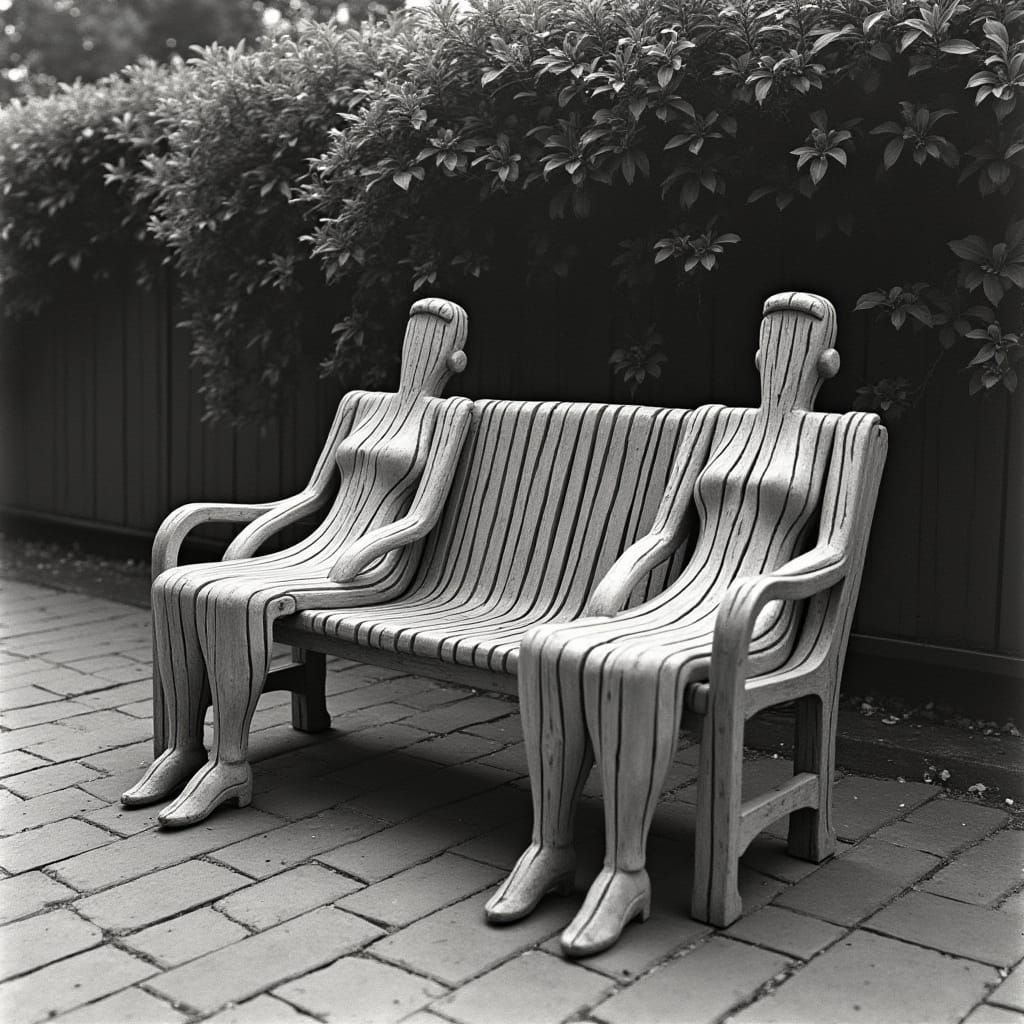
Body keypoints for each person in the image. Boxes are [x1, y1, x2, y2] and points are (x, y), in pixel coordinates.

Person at [486, 293, 847, 956]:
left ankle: (626, 873)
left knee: (641, 667)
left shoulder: (845, 437)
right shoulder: (716, 425)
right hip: (681, 598)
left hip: (756, 619)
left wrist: (758, 592)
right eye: (775, 339)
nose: (784, 355)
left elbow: (833, 553)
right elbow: (664, 532)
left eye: (801, 339)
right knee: (546, 644)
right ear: (760, 353)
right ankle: (551, 847)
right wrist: (616, 595)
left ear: (826, 359)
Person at [122, 298, 473, 827]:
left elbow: (423, 516)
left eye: (432, 341)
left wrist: (366, 549)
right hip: (317, 551)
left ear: (453, 358)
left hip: (373, 567)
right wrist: (259, 527)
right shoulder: (359, 405)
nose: (418, 350)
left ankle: (230, 763)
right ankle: (183, 748)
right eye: (413, 336)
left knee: (241, 598)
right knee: (176, 585)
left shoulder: (452, 416)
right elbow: (311, 495)